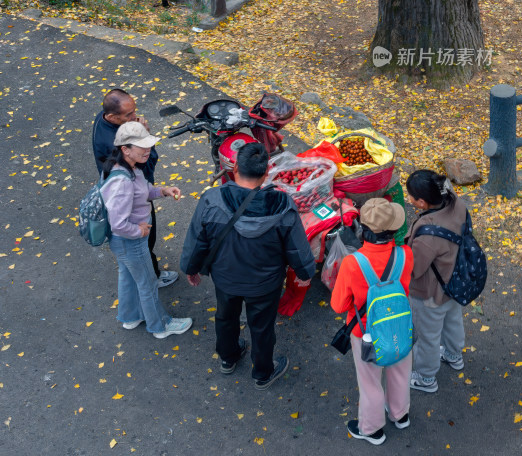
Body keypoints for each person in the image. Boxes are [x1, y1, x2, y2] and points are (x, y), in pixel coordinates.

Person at [180, 142, 316, 390]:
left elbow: (197, 238)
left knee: (225, 316)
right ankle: (263, 372)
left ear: (233, 168)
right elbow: (297, 247)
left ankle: (228, 357)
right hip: (265, 284)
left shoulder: (211, 200)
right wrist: (306, 272)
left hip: (226, 278)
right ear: (266, 173)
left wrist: (191, 268)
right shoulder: (282, 205)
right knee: (262, 327)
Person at [331, 198, 414, 446]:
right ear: (393, 230)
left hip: (365, 331)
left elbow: (338, 305)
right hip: (400, 324)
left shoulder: (352, 263)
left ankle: (372, 429)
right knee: (400, 371)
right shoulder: (405, 254)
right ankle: (400, 415)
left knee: (370, 382)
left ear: (362, 230)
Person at [101, 121, 192, 338]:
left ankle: (130, 317)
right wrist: (138, 231)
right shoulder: (122, 180)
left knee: (128, 277)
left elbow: (142, 191)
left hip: (122, 242)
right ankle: (160, 326)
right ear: (125, 149)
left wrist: (162, 191)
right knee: (148, 283)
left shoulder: (127, 167)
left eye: (148, 145)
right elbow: (118, 224)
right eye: (142, 146)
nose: (147, 150)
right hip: (129, 240)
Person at [92, 88, 178, 289]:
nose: (135, 117)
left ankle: (140, 274)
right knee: (145, 238)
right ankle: (151, 278)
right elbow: (146, 165)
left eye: (134, 110)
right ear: (112, 116)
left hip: (128, 188)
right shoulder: (115, 143)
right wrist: (145, 135)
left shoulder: (103, 119)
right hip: (133, 195)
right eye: (129, 115)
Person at [406, 169, 467, 393]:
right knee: (453, 320)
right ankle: (454, 355)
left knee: (428, 336)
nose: (410, 200)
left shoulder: (428, 233)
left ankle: (426, 377)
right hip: (456, 281)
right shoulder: (457, 205)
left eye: (411, 197)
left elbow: (416, 269)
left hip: (432, 293)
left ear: (422, 202)